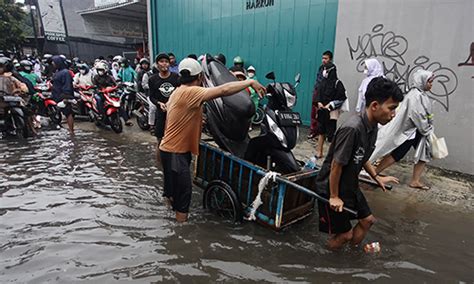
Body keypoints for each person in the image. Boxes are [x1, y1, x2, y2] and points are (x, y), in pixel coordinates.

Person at [159, 57, 266, 222]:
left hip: (168, 150)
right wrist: (250, 82)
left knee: (173, 190)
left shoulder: (177, 91)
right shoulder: (191, 92)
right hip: (176, 153)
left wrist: (197, 119)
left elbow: (173, 118)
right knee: (184, 194)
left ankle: (169, 216)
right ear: (200, 77)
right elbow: (223, 90)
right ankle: (180, 233)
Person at [316, 77, 403, 250]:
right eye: (391, 108)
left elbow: (362, 157)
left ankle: (350, 256)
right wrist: (334, 196)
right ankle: (325, 263)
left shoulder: (372, 126)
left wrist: (377, 177)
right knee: (344, 234)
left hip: (349, 185)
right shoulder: (352, 128)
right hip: (331, 186)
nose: (393, 114)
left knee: (367, 220)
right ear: (375, 106)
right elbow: (336, 165)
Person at [370, 69, 435, 190]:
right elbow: (417, 116)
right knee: (397, 154)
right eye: (429, 82)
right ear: (422, 81)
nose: (431, 84)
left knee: (422, 154)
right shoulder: (415, 96)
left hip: (415, 131)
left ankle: (415, 180)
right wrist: (427, 129)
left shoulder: (420, 95)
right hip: (409, 132)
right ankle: (374, 173)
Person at [148, 53, 179, 158]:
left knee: (176, 139)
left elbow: (180, 93)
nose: (164, 64)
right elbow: (151, 97)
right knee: (160, 140)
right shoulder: (152, 79)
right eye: (161, 61)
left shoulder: (176, 77)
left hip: (175, 112)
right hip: (161, 112)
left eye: (166, 61)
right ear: (157, 64)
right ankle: (160, 165)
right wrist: (159, 103)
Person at [315, 60, 347, 158]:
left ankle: (331, 154)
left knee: (331, 134)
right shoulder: (323, 82)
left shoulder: (338, 83)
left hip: (331, 112)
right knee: (321, 131)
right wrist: (319, 102)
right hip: (322, 111)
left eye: (326, 70)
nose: (324, 72)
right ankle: (319, 152)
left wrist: (331, 104)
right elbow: (318, 94)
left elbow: (342, 98)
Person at [309, 51, 332, 139]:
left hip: (325, 94)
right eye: (323, 58)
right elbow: (318, 80)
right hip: (317, 91)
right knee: (314, 112)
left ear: (330, 59)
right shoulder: (321, 68)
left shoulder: (332, 69)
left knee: (323, 113)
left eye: (326, 58)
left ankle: (322, 132)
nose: (323, 60)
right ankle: (313, 131)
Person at [51, 55, 75, 134]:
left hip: (63, 95)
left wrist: (66, 97)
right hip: (57, 95)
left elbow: (67, 85)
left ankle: (71, 131)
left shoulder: (65, 72)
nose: (52, 64)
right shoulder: (58, 72)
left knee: (68, 113)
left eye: (54, 62)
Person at [141, 58, 160, 135]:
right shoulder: (147, 75)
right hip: (150, 94)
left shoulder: (162, 74)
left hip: (160, 94)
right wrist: (152, 86)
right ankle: (151, 125)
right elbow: (144, 85)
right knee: (153, 108)